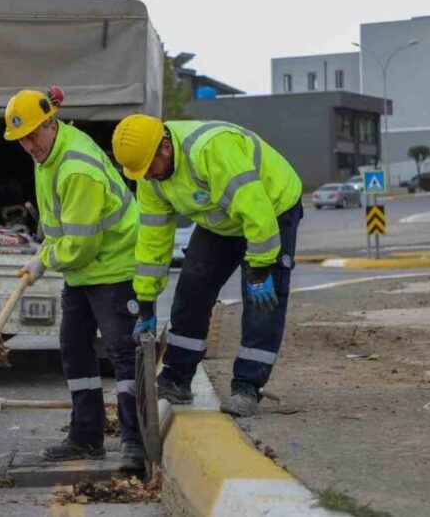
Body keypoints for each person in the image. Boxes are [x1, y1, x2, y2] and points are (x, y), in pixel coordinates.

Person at [110, 115, 302, 417]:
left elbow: (255, 208)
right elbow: (152, 242)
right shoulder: (149, 178)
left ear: (164, 147)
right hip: (221, 218)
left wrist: (261, 269)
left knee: (262, 300)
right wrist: (145, 303)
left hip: (271, 206)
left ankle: (247, 386)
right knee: (192, 287)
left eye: (148, 168)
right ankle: (177, 377)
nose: (145, 176)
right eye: (139, 172)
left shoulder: (210, 150)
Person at [4, 87, 144, 462]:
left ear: (50, 122)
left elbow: (82, 245)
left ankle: (135, 440)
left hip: (114, 267)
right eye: (21, 140)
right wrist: (44, 250)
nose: (29, 145)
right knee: (74, 347)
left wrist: (46, 261)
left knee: (122, 352)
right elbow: (61, 226)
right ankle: (86, 437)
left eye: (33, 135)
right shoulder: (47, 155)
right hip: (85, 272)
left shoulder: (76, 168)